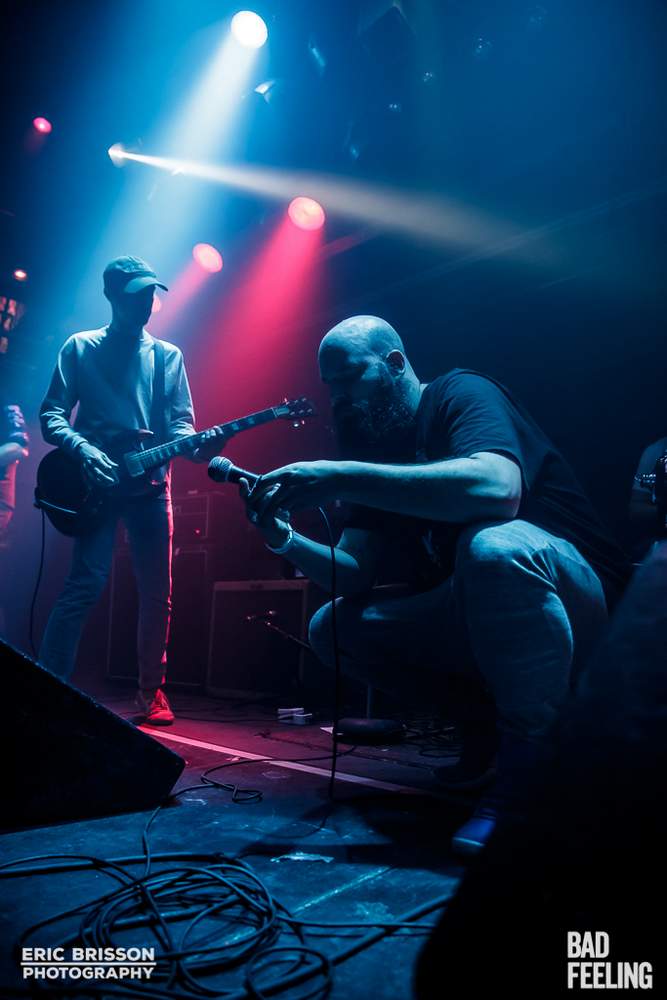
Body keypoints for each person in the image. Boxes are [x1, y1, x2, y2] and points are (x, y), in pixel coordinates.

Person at [239, 315, 631, 853]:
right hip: (487, 610)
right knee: (333, 626)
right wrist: (283, 538)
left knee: (492, 547)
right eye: (331, 387)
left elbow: (498, 489)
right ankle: (483, 729)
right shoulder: (379, 451)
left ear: (395, 363)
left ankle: (530, 779)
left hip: (584, 605)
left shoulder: (459, 393)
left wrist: (341, 474)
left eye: (351, 378)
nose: (342, 399)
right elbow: (351, 573)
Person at [38, 256, 219, 724]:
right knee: (85, 584)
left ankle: (150, 692)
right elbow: (51, 415)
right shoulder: (80, 347)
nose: (146, 302)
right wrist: (83, 450)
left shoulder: (168, 356)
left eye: (150, 293)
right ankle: (46, 687)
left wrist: (200, 446)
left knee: (158, 590)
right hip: (93, 484)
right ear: (111, 296)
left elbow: (182, 426)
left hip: (150, 487)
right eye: (135, 294)